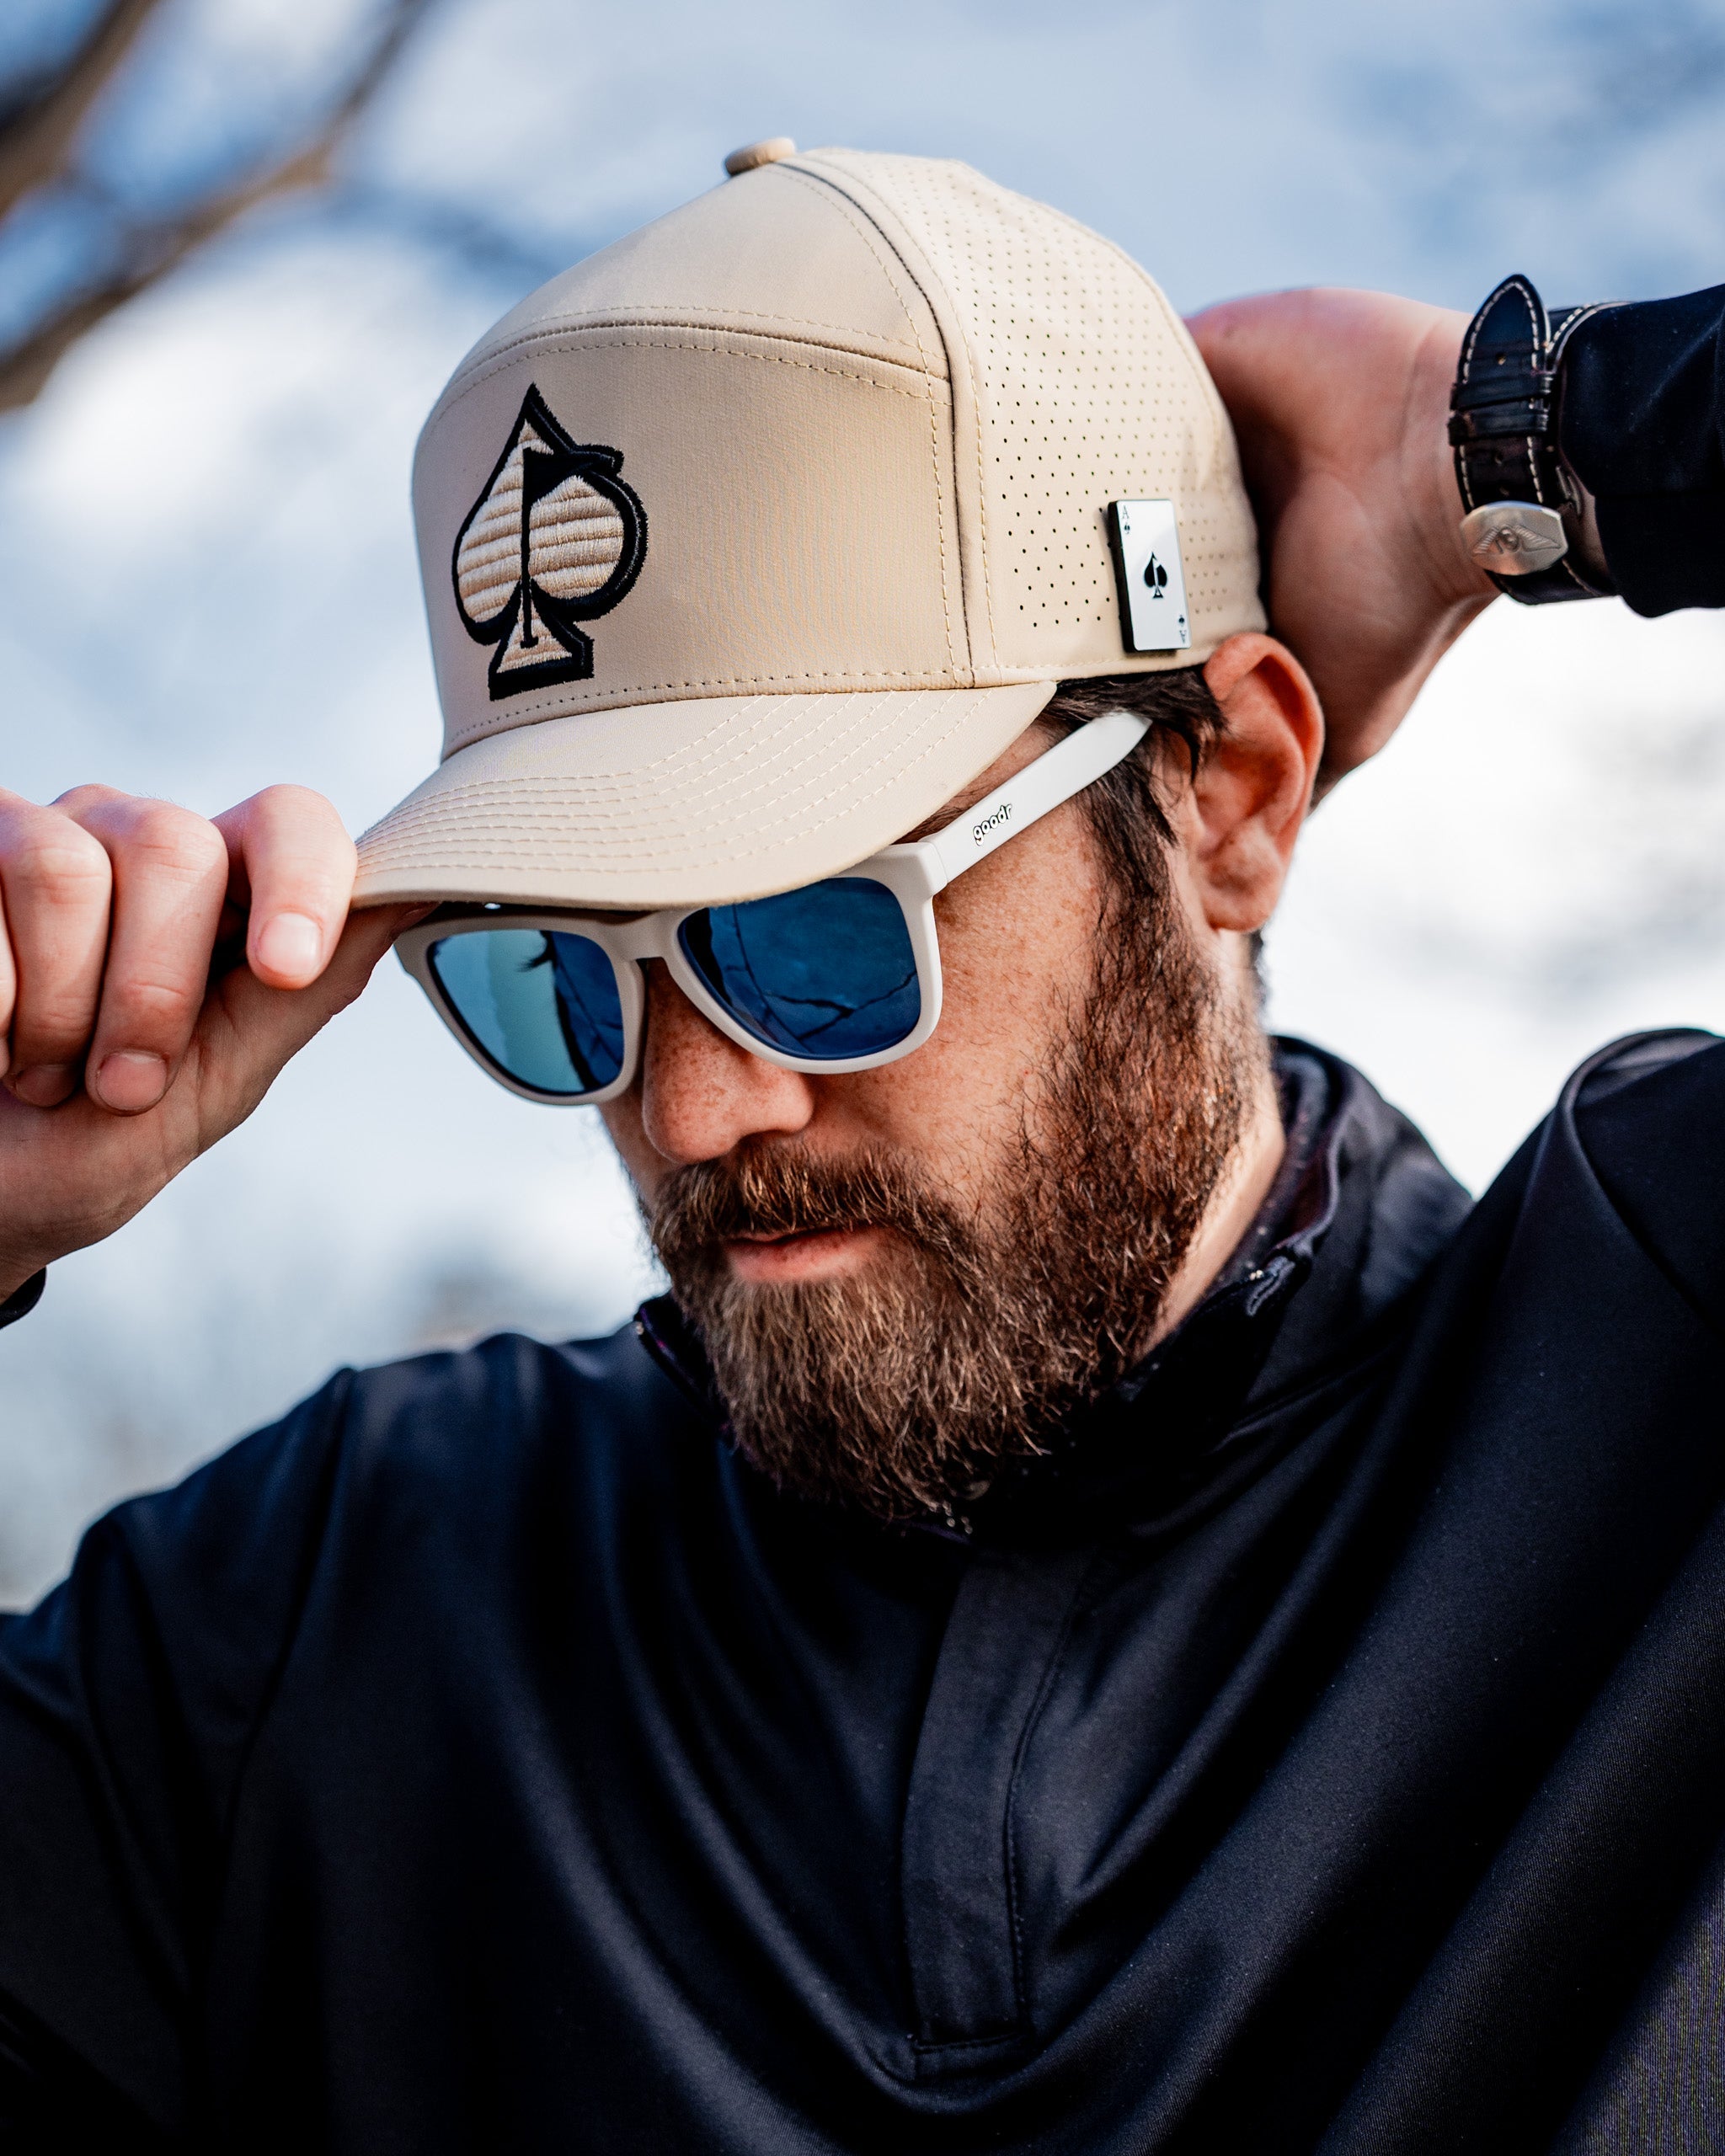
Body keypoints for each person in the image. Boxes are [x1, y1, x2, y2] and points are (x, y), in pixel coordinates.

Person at [0, 141, 1720, 2152]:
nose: (697, 1108)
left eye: (817, 930)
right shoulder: (332, 1605)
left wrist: (1549, 432)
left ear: (1234, 797)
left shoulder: (1662, 1378)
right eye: (575, 968)